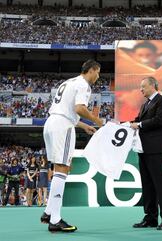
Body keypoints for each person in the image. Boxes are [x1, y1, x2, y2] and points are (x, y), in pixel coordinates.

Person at [40, 59, 103, 232]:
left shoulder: (68, 82)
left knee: (59, 167)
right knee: (62, 169)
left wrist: (84, 126)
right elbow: (79, 109)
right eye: (98, 72)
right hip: (63, 127)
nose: (98, 76)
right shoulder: (84, 85)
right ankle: (56, 220)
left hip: (51, 123)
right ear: (92, 70)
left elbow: (65, 111)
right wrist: (97, 121)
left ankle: (48, 212)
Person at [130, 76, 162, 230]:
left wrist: (139, 124)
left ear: (152, 86)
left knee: (161, 184)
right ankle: (150, 218)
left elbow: (160, 120)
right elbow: (136, 121)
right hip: (144, 149)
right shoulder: (144, 105)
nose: (141, 89)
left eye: (143, 86)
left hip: (157, 149)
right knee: (148, 184)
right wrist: (124, 125)